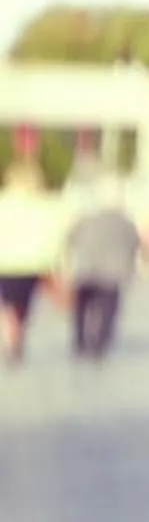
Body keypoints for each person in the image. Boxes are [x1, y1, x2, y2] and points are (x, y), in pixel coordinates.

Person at [61, 160, 141, 362]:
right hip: (112, 272)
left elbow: (71, 238)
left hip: (85, 268)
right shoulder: (125, 222)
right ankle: (100, 343)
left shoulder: (86, 218)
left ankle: (80, 340)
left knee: (82, 306)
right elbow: (134, 243)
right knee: (108, 308)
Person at [0, 157, 58, 366]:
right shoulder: (43, 204)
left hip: (7, 263)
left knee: (10, 306)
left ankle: (13, 338)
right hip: (32, 263)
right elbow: (52, 235)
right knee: (22, 306)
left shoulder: (4, 203)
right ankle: (16, 338)